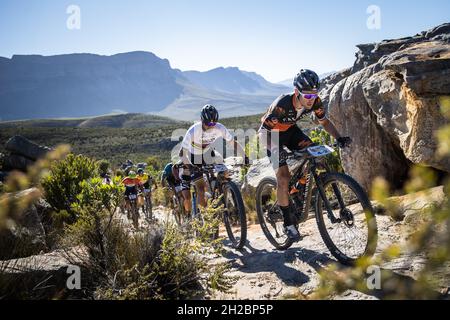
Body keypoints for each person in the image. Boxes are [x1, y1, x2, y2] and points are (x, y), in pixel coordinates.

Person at [258, 69, 352, 242]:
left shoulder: (315, 101)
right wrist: (277, 151)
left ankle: (297, 190)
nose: (311, 100)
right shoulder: (282, 105)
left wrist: (339, 137)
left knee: (316, 154)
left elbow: (324, 122)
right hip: (272, 136)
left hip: (291, 131)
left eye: (314, 95)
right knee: (284, 177)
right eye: (307, 96)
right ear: (296, 92)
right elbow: (263, 133)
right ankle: (288, 224)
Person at [179, 104, 250, 214]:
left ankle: (224, 194)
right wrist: (190, 167)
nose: (211, 126)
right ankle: (205, 217)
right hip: (194, 157)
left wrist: (245, 157)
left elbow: (233, 143)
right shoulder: (193, 130)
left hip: (209, 153)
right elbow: (182, 153)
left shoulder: (220, 128)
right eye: (207, 123)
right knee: (201, 189)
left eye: (213, 123)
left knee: (225, 172)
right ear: (201, 120)